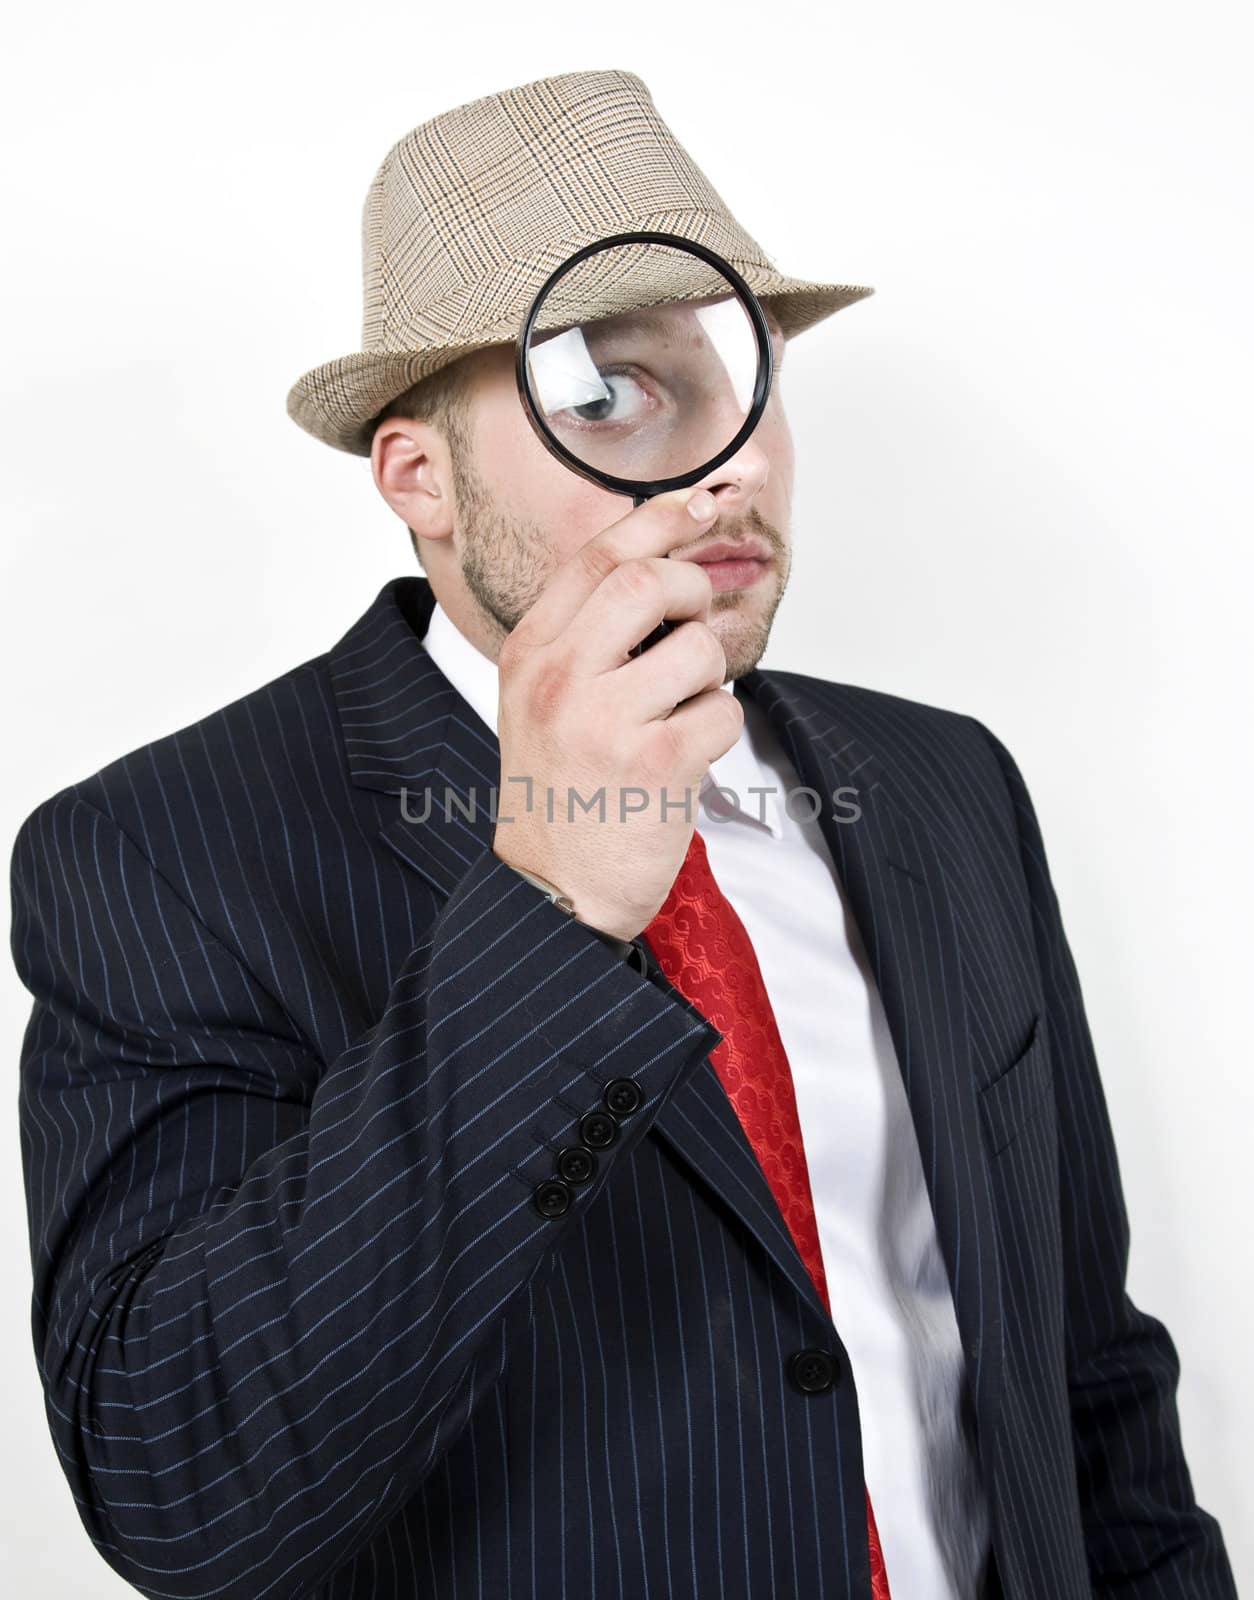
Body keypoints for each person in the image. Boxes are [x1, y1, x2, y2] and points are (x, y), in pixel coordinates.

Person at [9, 68, 1235, 1600]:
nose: (730, 462)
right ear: (418, 476)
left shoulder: (942, 783)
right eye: (608, 391)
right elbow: (181, 1482)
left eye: (748, 380)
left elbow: (1088, 1379)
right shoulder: (159, 852)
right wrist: (551, 906)